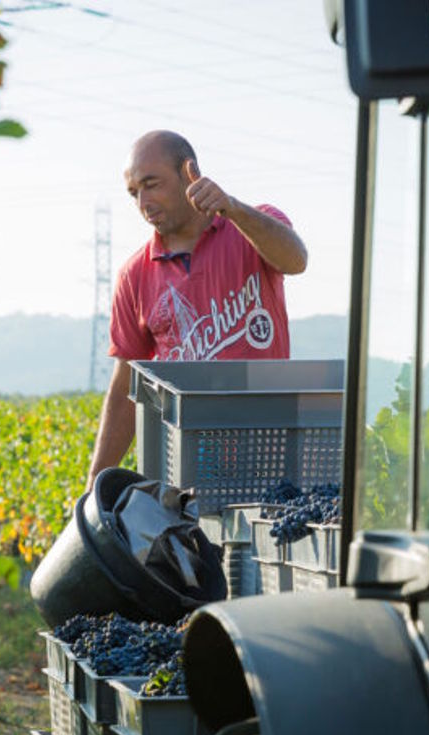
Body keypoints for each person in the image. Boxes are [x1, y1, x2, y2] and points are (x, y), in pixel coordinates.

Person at [85, 130, 308, 489]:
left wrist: (232, 209)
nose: (143, 202)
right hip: (184, 468)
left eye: (151, 184)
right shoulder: (135, 274)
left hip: (268, 454)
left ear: (189, 172)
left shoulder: (253, 226)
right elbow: (126, 384)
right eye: (134, 193)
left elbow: (296, 260)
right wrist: (94, 481)